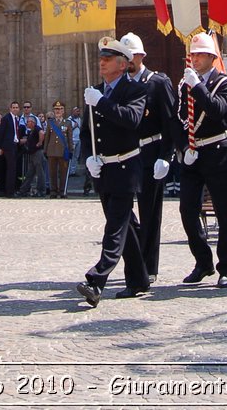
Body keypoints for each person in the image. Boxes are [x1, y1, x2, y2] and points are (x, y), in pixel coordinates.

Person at [76, 36, 148, 307]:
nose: (102, 63)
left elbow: (131, 120)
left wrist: (101, 103)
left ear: (122, 64)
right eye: (101, 59)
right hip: (103, 169)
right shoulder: (95, 91)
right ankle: (139, 279)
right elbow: (86, 133)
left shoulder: (134, 90)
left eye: (107, 60)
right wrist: (88, 159)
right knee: (126, 226)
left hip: (125, 167)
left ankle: (96, 280)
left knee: (115, 228)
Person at [174, 32, 227, 289]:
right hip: (193, 155)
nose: (195, 58)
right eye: (193, 54)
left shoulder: (224, 82)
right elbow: (178, 119)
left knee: (225, 213)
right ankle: (203, 261)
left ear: (212, 57)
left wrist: (198, 87)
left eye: (200, 54)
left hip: (217, 151)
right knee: (187, 210)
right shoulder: (184, 85)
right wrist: (182, 147)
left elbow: (217, 110)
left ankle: (226, 267)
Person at [119, 32, 175, 283]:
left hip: (151, 152)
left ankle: (148, 267)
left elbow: (170, 122)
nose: (128, 60)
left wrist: (166, 155)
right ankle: (136, 253)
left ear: (141, 56)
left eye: (132, 55)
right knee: (119, 209)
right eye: (124, 56)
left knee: (150, 211)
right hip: (124, 155)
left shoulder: (157, 82)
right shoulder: (118, 85)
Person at [42, 101, 72, 198]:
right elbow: (47, 137)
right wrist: (45, 150)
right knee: (52, 173)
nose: (58, 111)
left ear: (63, 111)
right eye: (56, 109)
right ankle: (53, 191)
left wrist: (71, 150)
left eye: (60, 109)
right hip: (52, 151)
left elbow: (69, 138)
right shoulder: (51, 123)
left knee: (63, 173)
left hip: (63, 151)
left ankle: (63, 191)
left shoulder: (67, 123)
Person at [0, 101, 26, 196]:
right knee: (11, 169)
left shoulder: (17, 119)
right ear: (10, 109)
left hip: (15, 145)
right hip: (8, 146)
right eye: (13, 107)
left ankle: (11, 189)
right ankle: (10, 192)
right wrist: (0, 147)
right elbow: (1, 133)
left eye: (17, 107)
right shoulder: (6, 119)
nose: (15, 109)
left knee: (13, 169)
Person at [18, 115, 47, 197]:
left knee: (40, 172)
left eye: (28, 122)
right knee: (29, 173)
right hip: (32, 153)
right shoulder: (31, 131)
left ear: (33, 122)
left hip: (37, 153)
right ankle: (23, 190)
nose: (27, 123)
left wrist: (40, 142)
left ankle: (41, 191)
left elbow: (42, 133)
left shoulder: (37, 128)